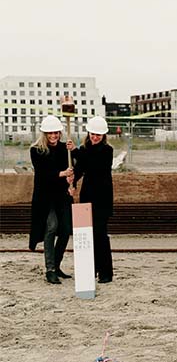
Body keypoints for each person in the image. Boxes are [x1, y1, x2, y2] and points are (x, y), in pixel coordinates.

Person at [29, 115, 75, 284]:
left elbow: (73, 168)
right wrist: (62, 174)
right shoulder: (37, 150)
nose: (54, 136)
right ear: (44, 134)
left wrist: (72, 179)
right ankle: (50, 269)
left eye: (56, 132)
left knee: (65, 230)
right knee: (51, 227)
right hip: (45, 197)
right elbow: (43, 174)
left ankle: (56, 264)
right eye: (50, 133)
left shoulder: (65, 149)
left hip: (62, 196)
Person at [72, 116, 114, 283]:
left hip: (102, 199)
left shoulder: (107, 150)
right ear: (88, 133)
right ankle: (93, 269)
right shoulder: (84, 149)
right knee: (88, 235)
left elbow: (94, 165)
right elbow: (80, 169)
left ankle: (106, 273)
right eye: (93, 134)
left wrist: (76, 152)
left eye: (98, 135)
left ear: (103, 136)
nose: (95, 137)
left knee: (100, 235)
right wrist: (72, 181)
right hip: (87, 196)